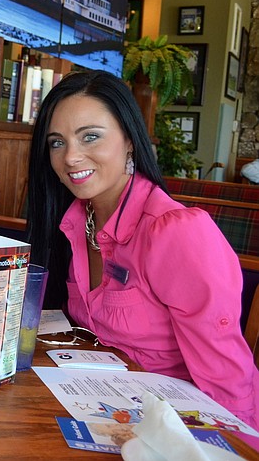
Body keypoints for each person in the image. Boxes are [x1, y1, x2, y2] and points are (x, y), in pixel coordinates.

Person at [27, 70, 259, 430]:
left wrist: (235, 446)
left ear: (130, 141)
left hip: (176, 427)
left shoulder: (177, 233)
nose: (71, 156)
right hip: (102, 406)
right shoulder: (74, 221)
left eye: (91, 136)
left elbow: (227, 379)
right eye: (57, 142)